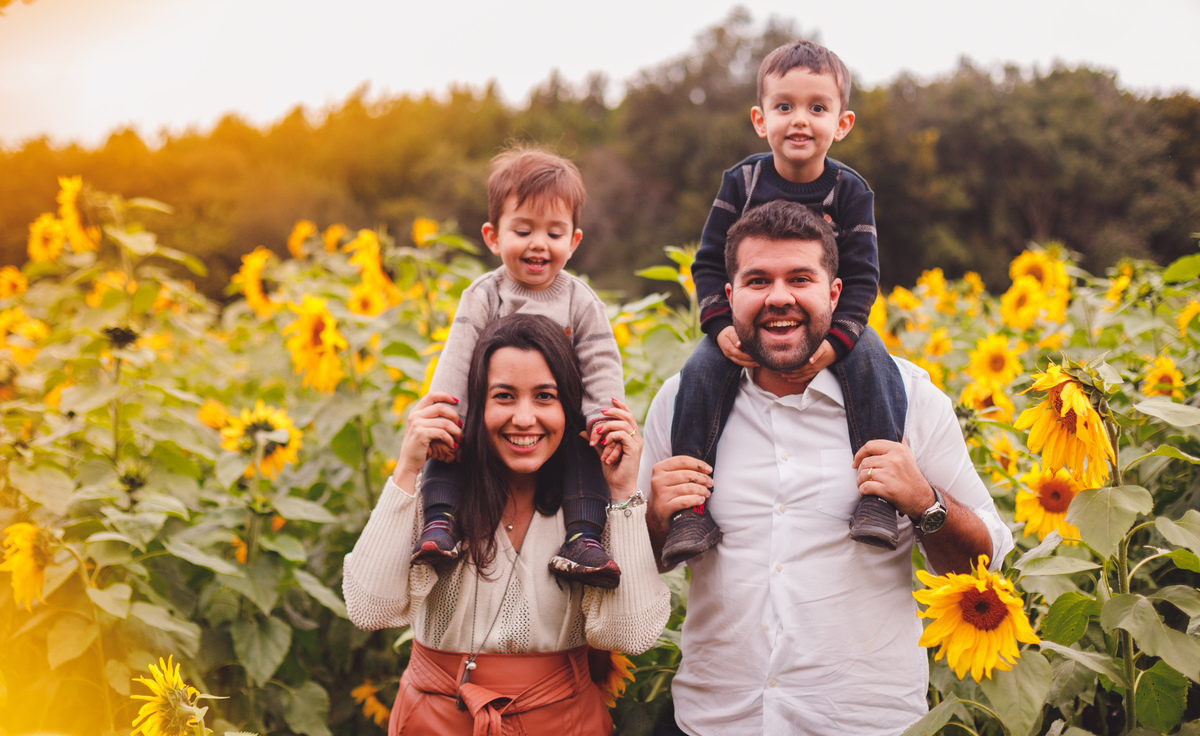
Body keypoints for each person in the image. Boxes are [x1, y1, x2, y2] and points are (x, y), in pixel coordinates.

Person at [639, 203, 1013, 735]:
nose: (778, 297)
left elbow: (985, 564)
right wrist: (656, 518)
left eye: (800, 278)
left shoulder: (908, 399)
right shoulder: (683, 405)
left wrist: (925, 501)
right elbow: (638, 569)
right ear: (729, 298)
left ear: (835, 295)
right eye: (757, 280)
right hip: (716, 720)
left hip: (862, 722)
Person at [345, 314, 670, 735]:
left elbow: (631, 634)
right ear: (476, 406)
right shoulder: (440, 499)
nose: (523, 418)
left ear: (570, 409)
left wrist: (624, 493)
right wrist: (408, 468)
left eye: (544, 397)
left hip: (562, 722)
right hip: (438, 720)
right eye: (503, 396)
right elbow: (370, 607)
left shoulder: (590, 511)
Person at [663, 40, 908, 565]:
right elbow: (708, 263)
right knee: (700, 373)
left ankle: (878, 497)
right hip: (744, 326)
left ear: (841, 124)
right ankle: (690, 510)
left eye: (817, 108)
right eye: (784, 107)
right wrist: (719, 326)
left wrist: (838, 339)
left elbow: (862, 277)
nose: (800, 120)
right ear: (759, 119)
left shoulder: (850, 190)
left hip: (830, 322)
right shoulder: (743, 181)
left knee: (875, 366)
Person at [413, 147, 628, 588]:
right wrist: (448, 417)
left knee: (586, 454)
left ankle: (584, 539)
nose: (538, 244)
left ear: (574, 241)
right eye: (523, 229)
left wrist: (602, 418)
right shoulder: (483, 295)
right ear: (493, 237)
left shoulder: (580, 301)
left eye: (554, 233)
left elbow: (601, 362)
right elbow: (456, 358)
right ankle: (440, 523)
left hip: (558, 425)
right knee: (450, 448)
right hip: (492, 425)